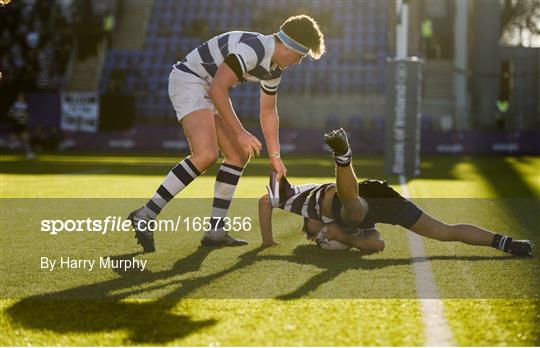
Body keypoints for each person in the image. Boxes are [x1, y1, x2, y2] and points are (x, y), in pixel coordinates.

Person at [129, 15, 326, 252]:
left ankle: (215, 231)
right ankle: (146, 214)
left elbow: (268, 112)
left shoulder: (274, 67)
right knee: (205, 155)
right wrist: (240, 132)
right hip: (190, 80)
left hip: (207, 86)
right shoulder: (255, 48)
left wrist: (275, 155)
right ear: (287, 45)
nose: (298, 62)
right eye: (300, 55)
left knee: (238, 155)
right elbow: (217, 89)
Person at [258, 128, 533, 257]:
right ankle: (506, 242)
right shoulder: (337, 229)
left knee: (349, 208)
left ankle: (343, 158)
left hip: (355, 195)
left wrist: (268, 242)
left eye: (313, 228)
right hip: (384, 201)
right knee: (443, 231)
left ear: (309, 221)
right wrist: (341, 236)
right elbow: (377, 245)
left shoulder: (302, 202)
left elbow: (264, 201)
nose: (317, 228)